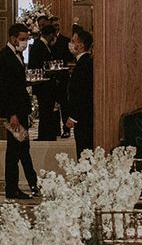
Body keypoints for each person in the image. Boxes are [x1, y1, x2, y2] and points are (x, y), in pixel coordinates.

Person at [0, 23, 39, 200]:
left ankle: (32, 183)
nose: (25, 42)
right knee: (15, 150)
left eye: (27, 39)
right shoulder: (4, 57)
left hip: (20, 111)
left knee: (23, 147)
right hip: (13, 113)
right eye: (22, 39)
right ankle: (13, 187)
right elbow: (5, 89)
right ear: (12, 38)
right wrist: (12, 114)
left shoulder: (18, 55)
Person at [28, 24, 60, 140]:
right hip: (43, 85)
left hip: (47, 85)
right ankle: (45, 135)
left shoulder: (45, 46)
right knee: (45, 111)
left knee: (48, 110)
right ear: (50, 35)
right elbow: (36, 66)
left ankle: (48, 134)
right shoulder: (38, 46)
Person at [65, 28, 94, 157]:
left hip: (83, 117)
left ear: (81, 45)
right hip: (82, 117)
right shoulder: (82, 62)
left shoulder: (85, 63)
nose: (70, 44)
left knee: (83, 151)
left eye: (73, 41)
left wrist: (73, 116)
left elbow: (82, 92)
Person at [49, 15, 74, 137]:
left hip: (63, 77)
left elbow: (70, 59)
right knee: (53, 105)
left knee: (64, 105)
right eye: (54, 26)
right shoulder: (48, 41)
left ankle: (66, 129)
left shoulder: (65, 40)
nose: (56, 28)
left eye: (57, 25)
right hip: (51, 78)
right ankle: (55, 129)